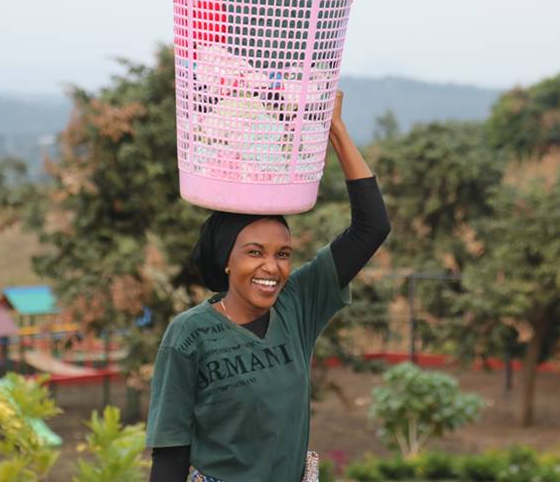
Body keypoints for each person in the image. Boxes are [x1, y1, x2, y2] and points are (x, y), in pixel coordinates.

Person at [146, 90, 391, 482]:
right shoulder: (190, 334)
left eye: (283, 254)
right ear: (227, 260)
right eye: (255, 252)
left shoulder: (297, 306)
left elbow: (372, 227)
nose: (271, 267)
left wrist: (336, 130)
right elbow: (171, 451)